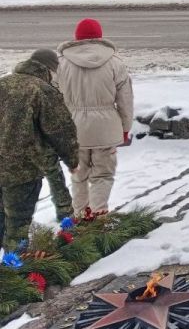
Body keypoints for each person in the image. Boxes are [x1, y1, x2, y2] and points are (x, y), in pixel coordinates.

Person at [0, 49, 79, 250]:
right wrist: (72, 160)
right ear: (49, 68)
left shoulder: (3, 83)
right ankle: (13, 275)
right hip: (22, 172)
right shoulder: (42, 90)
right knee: (17, 227)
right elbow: (60, 130)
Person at [57, 18, 134, 218]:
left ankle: (80, 216)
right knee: (103, 175)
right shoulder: (115, 63)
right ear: (100, 37)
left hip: (73, 129)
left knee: (78, 175)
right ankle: (98, 216)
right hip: (105, 128)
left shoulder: (61, 63)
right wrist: (125, 128)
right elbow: (125, 99)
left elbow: (54, 99)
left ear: (76, 37)